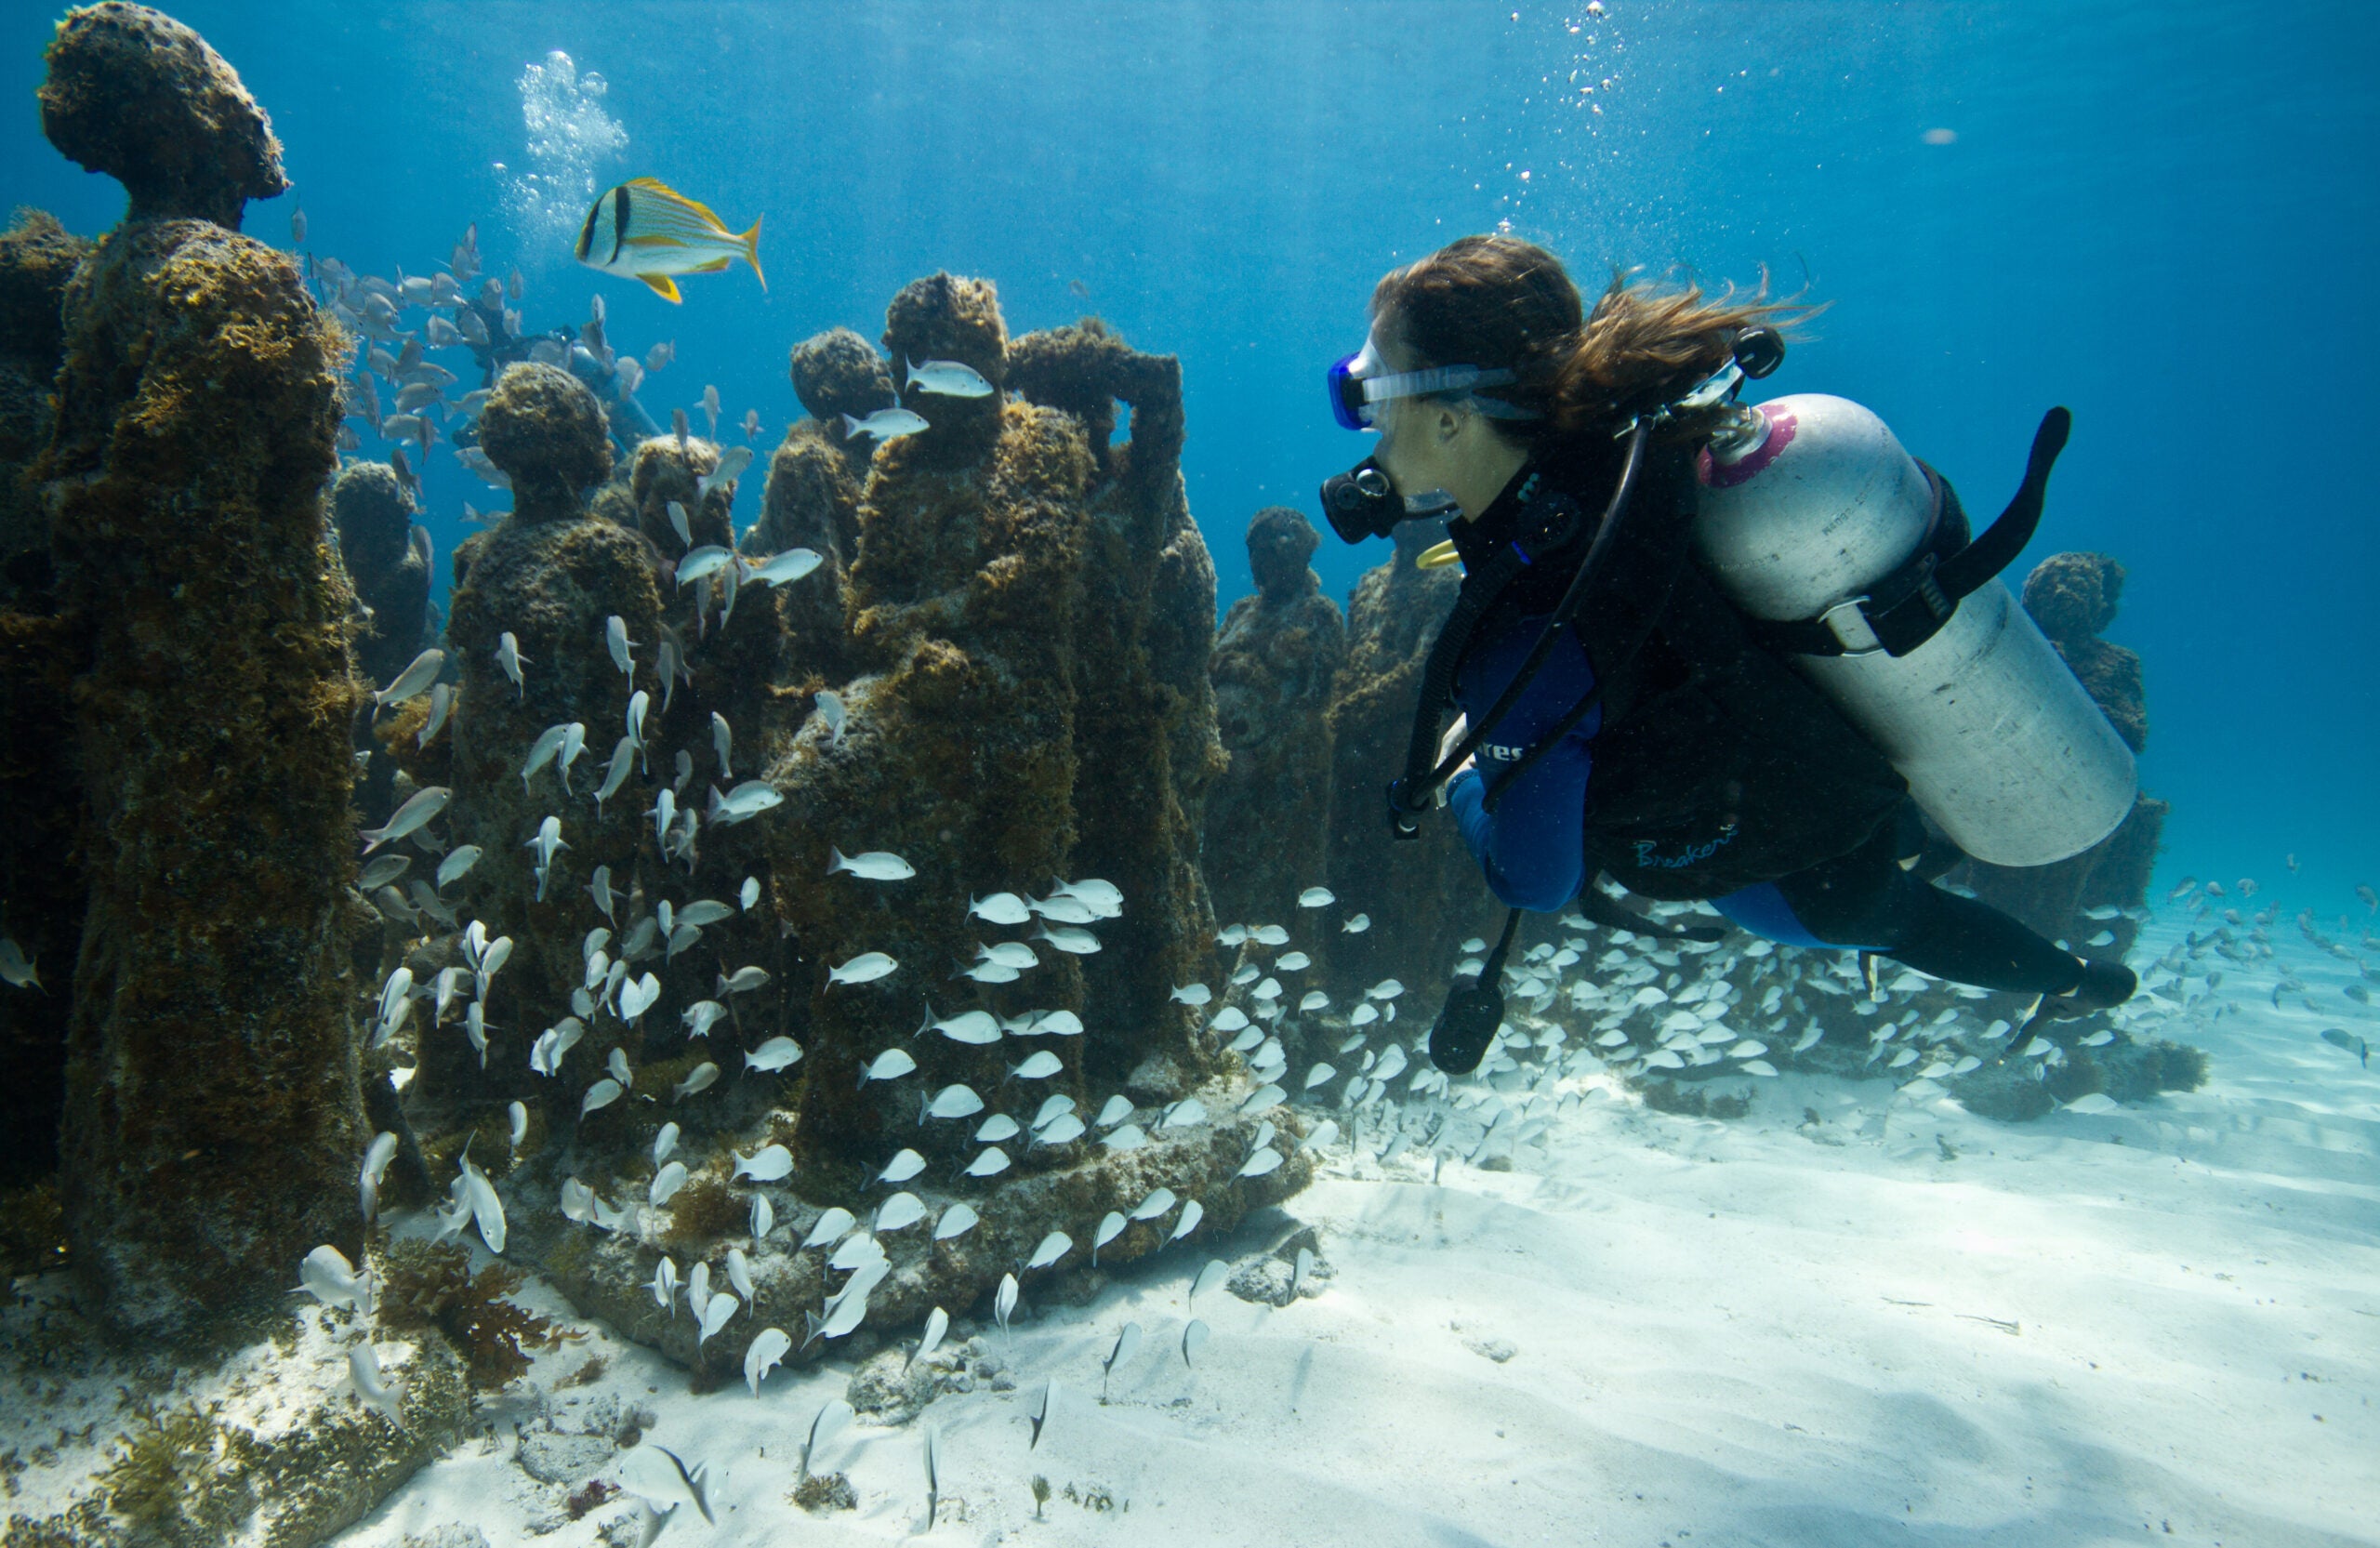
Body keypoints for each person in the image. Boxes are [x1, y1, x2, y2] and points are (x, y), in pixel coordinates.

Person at [1316, 235, 2135, 1071]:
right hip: (1818, 737)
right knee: (1901, 870)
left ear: (1452, 417)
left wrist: (1462, 784)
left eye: (1373, 395)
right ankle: (2058, 962)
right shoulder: (1620, 452)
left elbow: (1536, 881)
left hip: (1789, 866)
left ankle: (2069, 977)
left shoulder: (1529, 630)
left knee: (1891, 917)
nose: (1367, 429)